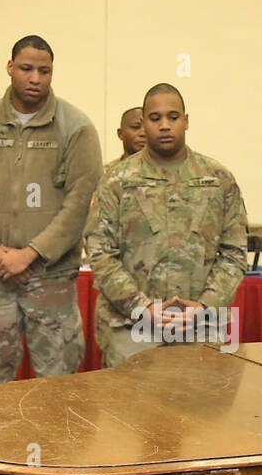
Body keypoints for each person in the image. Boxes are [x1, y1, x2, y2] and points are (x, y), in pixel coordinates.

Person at [0, 35, 102, 385]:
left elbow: (81, 204)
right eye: (27, 69)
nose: (35, 79)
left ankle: (53, 444)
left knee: (57, 384)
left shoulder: (76, 128)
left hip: (51, 277)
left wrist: (31, 254)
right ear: (10, 67)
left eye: (44, 71)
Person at [85, 83, 249, 367]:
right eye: (155, 118)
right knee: (129, 410)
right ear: (143, 123)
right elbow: (100, 253)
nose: (164, 125)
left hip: (200, 325)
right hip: (131, 325)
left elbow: (234, 253)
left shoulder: (218, 179)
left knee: (201, 410)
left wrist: (205, 305)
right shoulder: (117, 180)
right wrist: (143, 307)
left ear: (186, 121)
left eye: (173, 117)